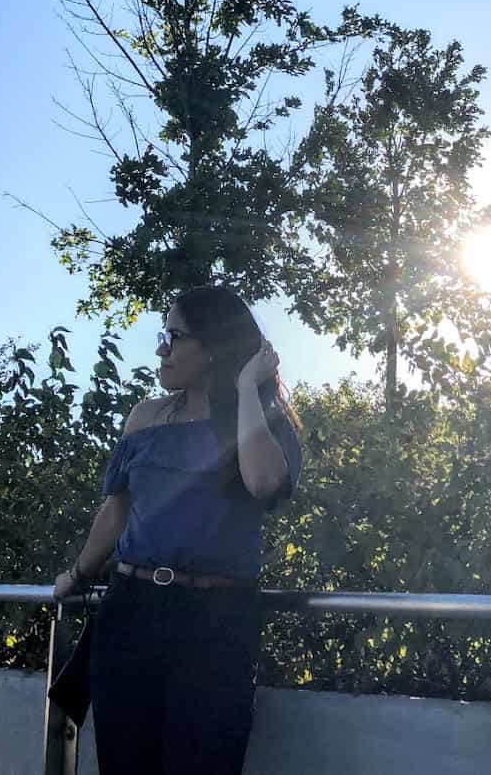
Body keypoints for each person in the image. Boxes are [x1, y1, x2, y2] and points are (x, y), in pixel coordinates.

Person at [52, 283, 302, 775]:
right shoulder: (144, 417)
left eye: (173, 336)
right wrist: (78, 576)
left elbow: (263, 483)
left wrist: (248, 390)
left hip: (217, 619)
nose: (160, 349)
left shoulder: (260, 420)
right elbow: (116, 512)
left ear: (211, 347)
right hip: (130, 610)